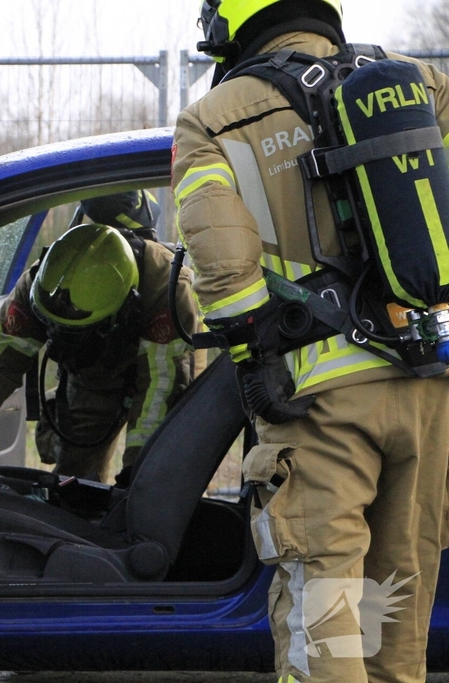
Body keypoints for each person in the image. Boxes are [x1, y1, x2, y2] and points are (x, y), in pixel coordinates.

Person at [172, 1, 449, 681]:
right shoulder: (419, 82)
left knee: (322, 627)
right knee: (394, 622)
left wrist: (253, 355)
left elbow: (222, 254)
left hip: (318, 407)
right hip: (428, 389)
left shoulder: (215, 116)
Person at [0, 190, 197, 485]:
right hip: (95, 375)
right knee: (74, 477)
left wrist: (141, 469)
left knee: (164, 475)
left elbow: (161, 385)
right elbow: (2, 358)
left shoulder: (165, 288)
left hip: (166, 359)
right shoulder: (40, 283)